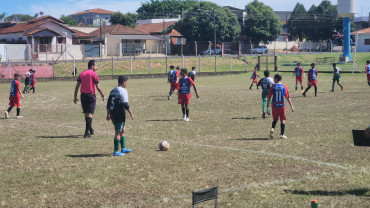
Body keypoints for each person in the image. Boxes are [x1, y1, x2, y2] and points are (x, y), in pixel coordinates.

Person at [74, 60, 104, 138]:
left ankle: (90, 129)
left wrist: (75, 96)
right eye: (96, 65)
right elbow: (98, 86)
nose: (97, 66)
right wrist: (102, 94)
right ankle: (86, 133)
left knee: (86, 114)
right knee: (90, 114)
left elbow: (77, 86)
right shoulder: (94, 74)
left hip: (83, 96)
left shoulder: (82, 74)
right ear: (92, 66)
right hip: (91, 96)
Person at [106, 75, 135, 156]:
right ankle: (116, 151)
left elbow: (108, 104)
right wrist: (131, 113)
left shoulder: (113, 90)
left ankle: (123, 148)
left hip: (113, 113)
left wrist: (108, 114)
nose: (127, 84)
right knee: (118, 132)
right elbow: (125, 104)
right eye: (126, 82)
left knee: (123, 129)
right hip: (119, 114)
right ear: (124, 82)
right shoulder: (123, 91)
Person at [267, 74, 294, 139]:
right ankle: (282, 135)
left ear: (276, 79)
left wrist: (267, 104)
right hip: (281, 106)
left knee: (275, 119)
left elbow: (269, 96)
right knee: (283, 119)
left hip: (274, 105)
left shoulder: (273, 86)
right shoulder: (284, 86)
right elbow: (288, 97)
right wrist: (291, 106)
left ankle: (272, 128)